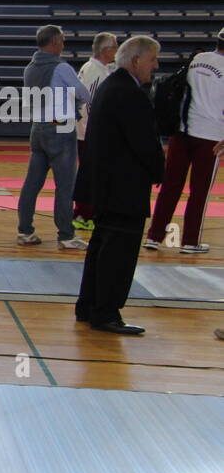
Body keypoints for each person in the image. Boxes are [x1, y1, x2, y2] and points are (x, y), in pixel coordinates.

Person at [75, 36, 164, 335]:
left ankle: (89, 306)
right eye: (152, 59)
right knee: (119, 253)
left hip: (104, 185)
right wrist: (159, 171)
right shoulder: (130, 93)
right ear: (136, 60)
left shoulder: (111, 87)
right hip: (123, 189)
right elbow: (144, 143)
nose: (156, 65)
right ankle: (106, 312)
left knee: (101, 247)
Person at [145, 28, 224, 254]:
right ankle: (190, 241)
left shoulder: (198, 58)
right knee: (199, 191)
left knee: (170, 186)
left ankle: (154, 236)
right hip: (211, 136)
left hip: (181, 132)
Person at [16, 25, 91, 250]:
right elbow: (84, 94)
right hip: (60, 127)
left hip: (38, 128)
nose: (64, 44)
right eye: (63, 40)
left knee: (32, 183)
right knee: (65, 185)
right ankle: (66, 235)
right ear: (56, 41)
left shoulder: (30, 68)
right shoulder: (61, 67)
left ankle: (25, 231)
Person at [74, 32, 118, 231]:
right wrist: (97, 130)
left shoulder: (98, 68)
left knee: (92, 173)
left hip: (88, 131)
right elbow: (89, 102)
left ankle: (89, 211)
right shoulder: (95, 71)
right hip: (88, 132)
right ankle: (84, 213)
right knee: (90, 174)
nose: (117, 50)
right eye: (115, 46)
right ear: (106, 49)